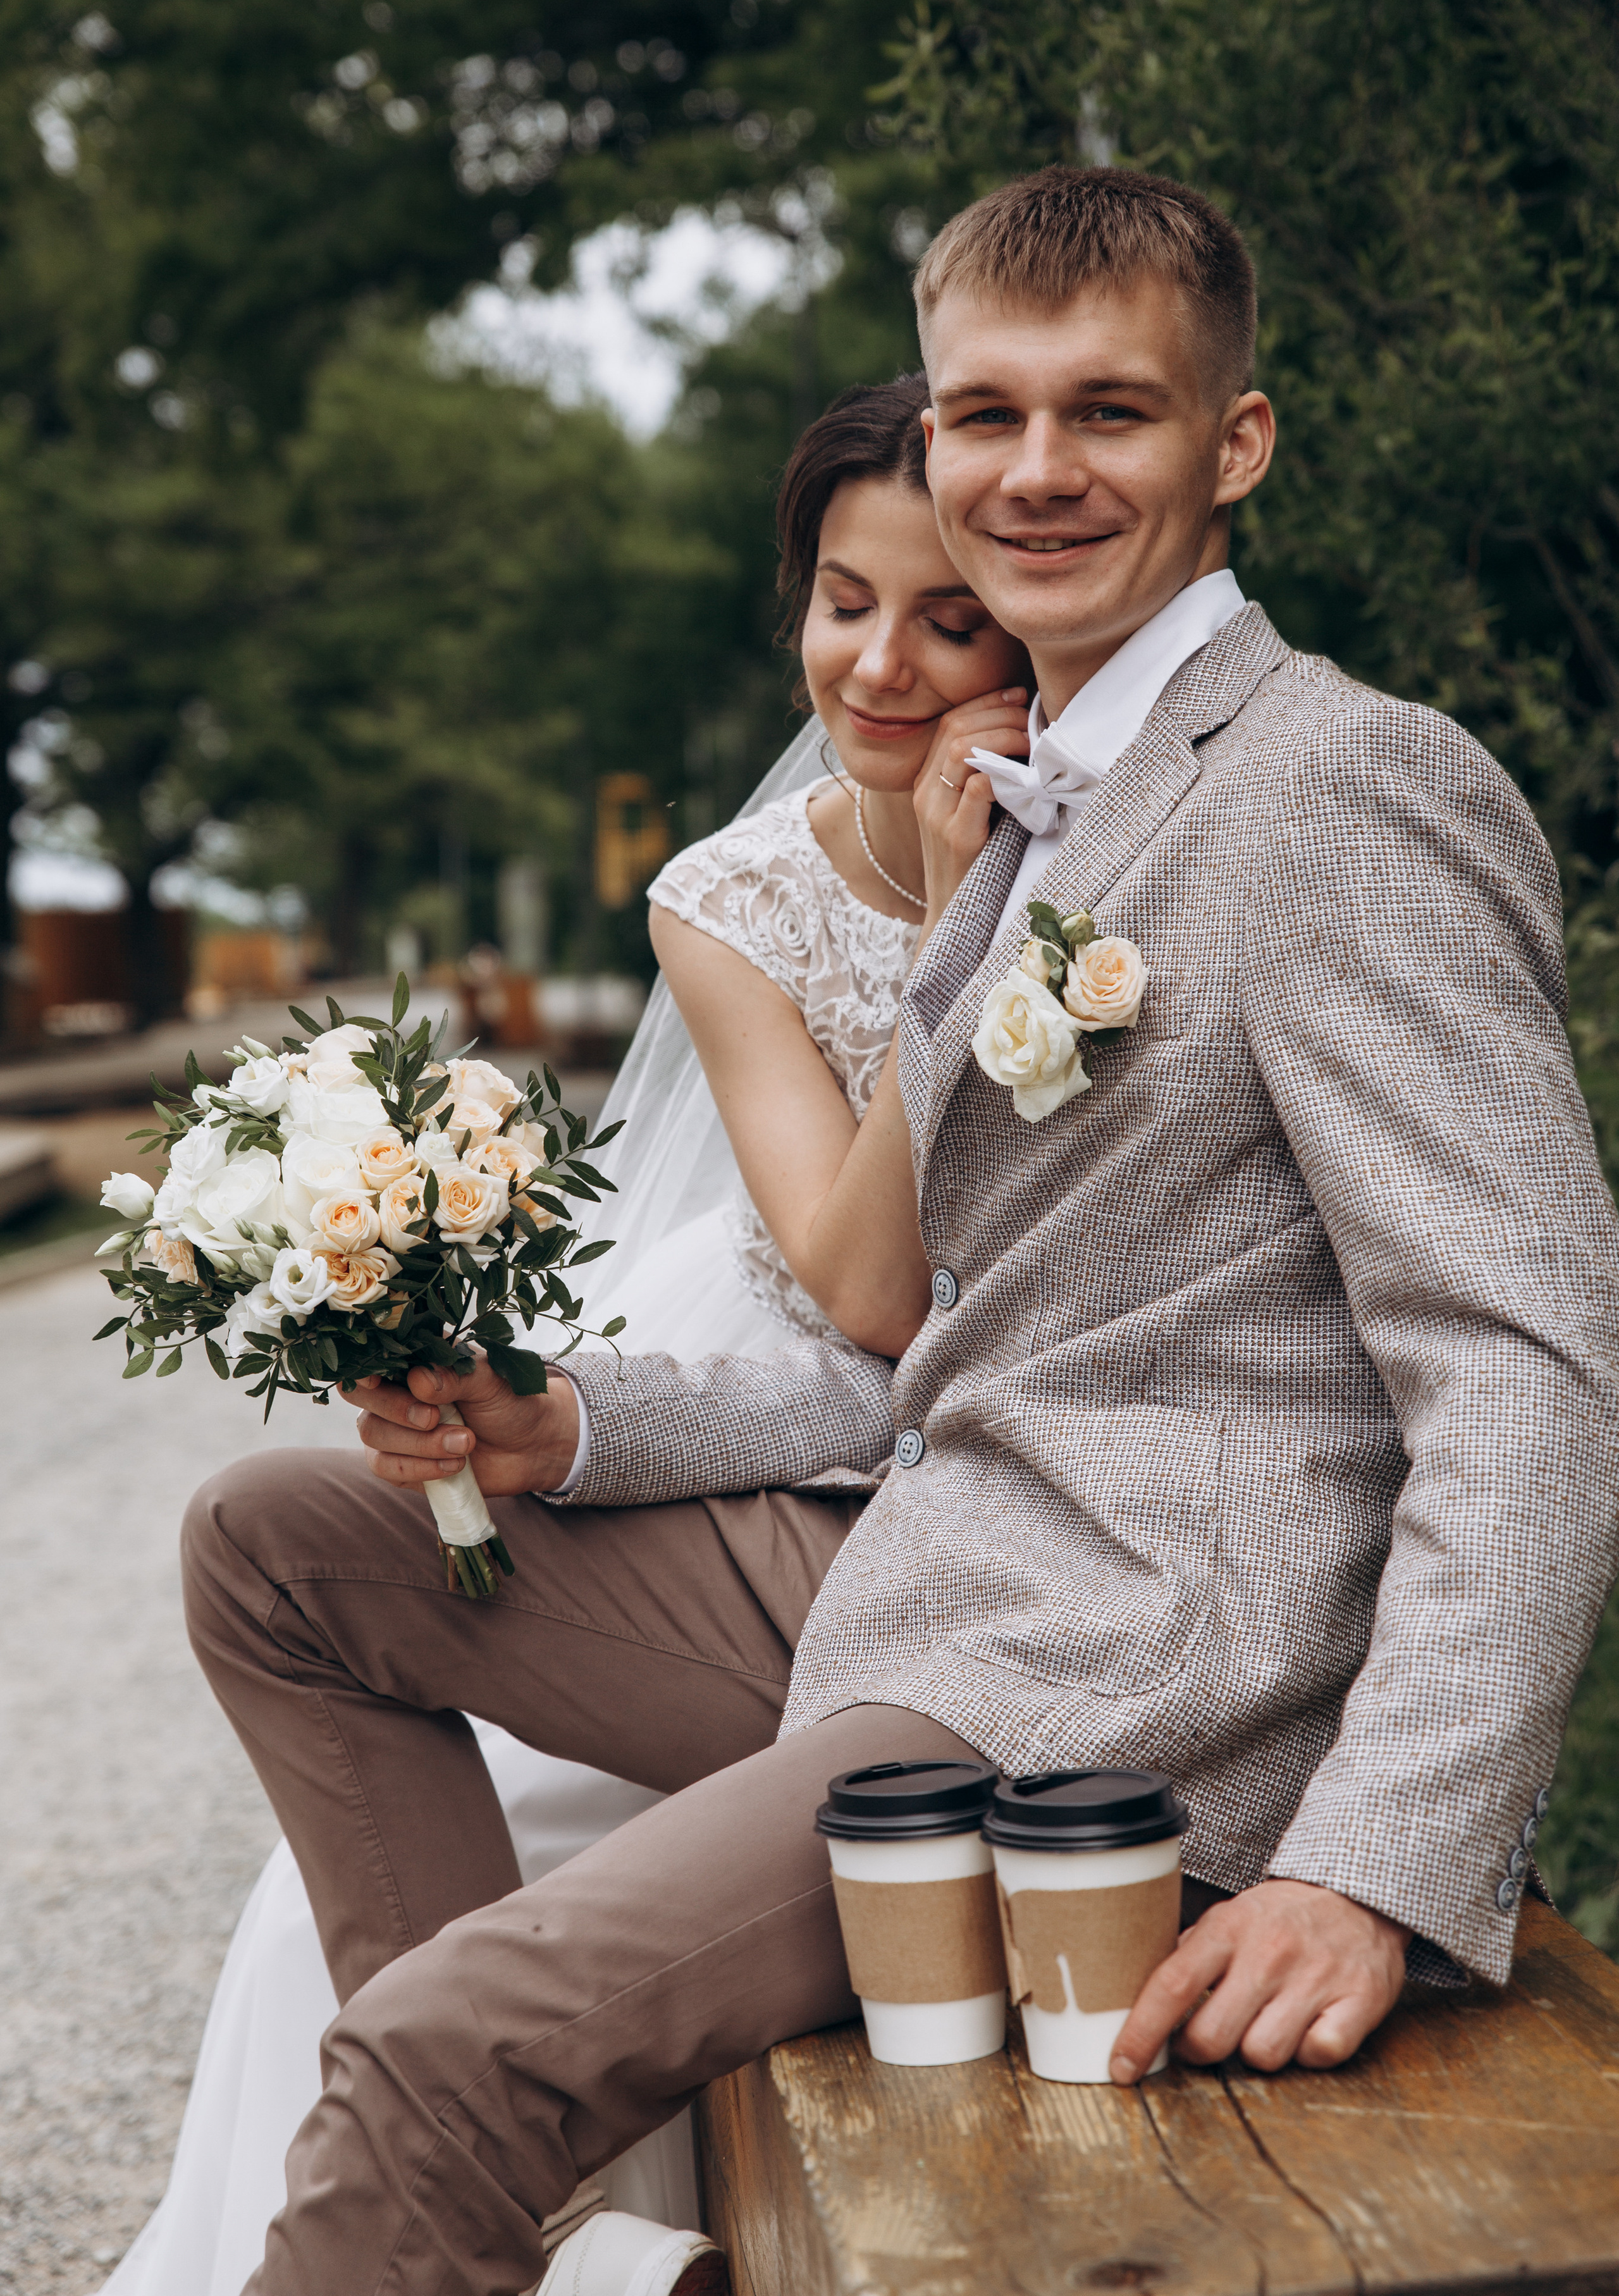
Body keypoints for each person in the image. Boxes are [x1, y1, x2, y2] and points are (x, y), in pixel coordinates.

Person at [182, 164, 1619, 2296]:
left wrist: (1377, 1869)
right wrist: (565, 1424)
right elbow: (924, 1334)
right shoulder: (1035, 802)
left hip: (1119, 1674)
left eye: (1109, 415)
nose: (1034, 473)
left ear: (1237, 448)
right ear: (928, 439)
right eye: (985, 416)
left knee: (430, 2052)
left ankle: (474, 2162)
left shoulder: (1340, 789)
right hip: (932, 1570)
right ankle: (516, 2204)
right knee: (276, 1551)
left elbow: (1527, 1360)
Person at [104, 377, 1027, 2296]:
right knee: (260, 1534)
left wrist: (965, 915)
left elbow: (889, 1296)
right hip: (802, 1496)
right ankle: (532, 2240)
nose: (883, 666)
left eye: (953, 621)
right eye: (845, 599)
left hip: (996, 1583)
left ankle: (487, 2199)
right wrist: (557, 1420)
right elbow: (845, 1334)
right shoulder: (735, 898)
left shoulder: (1095, 874)